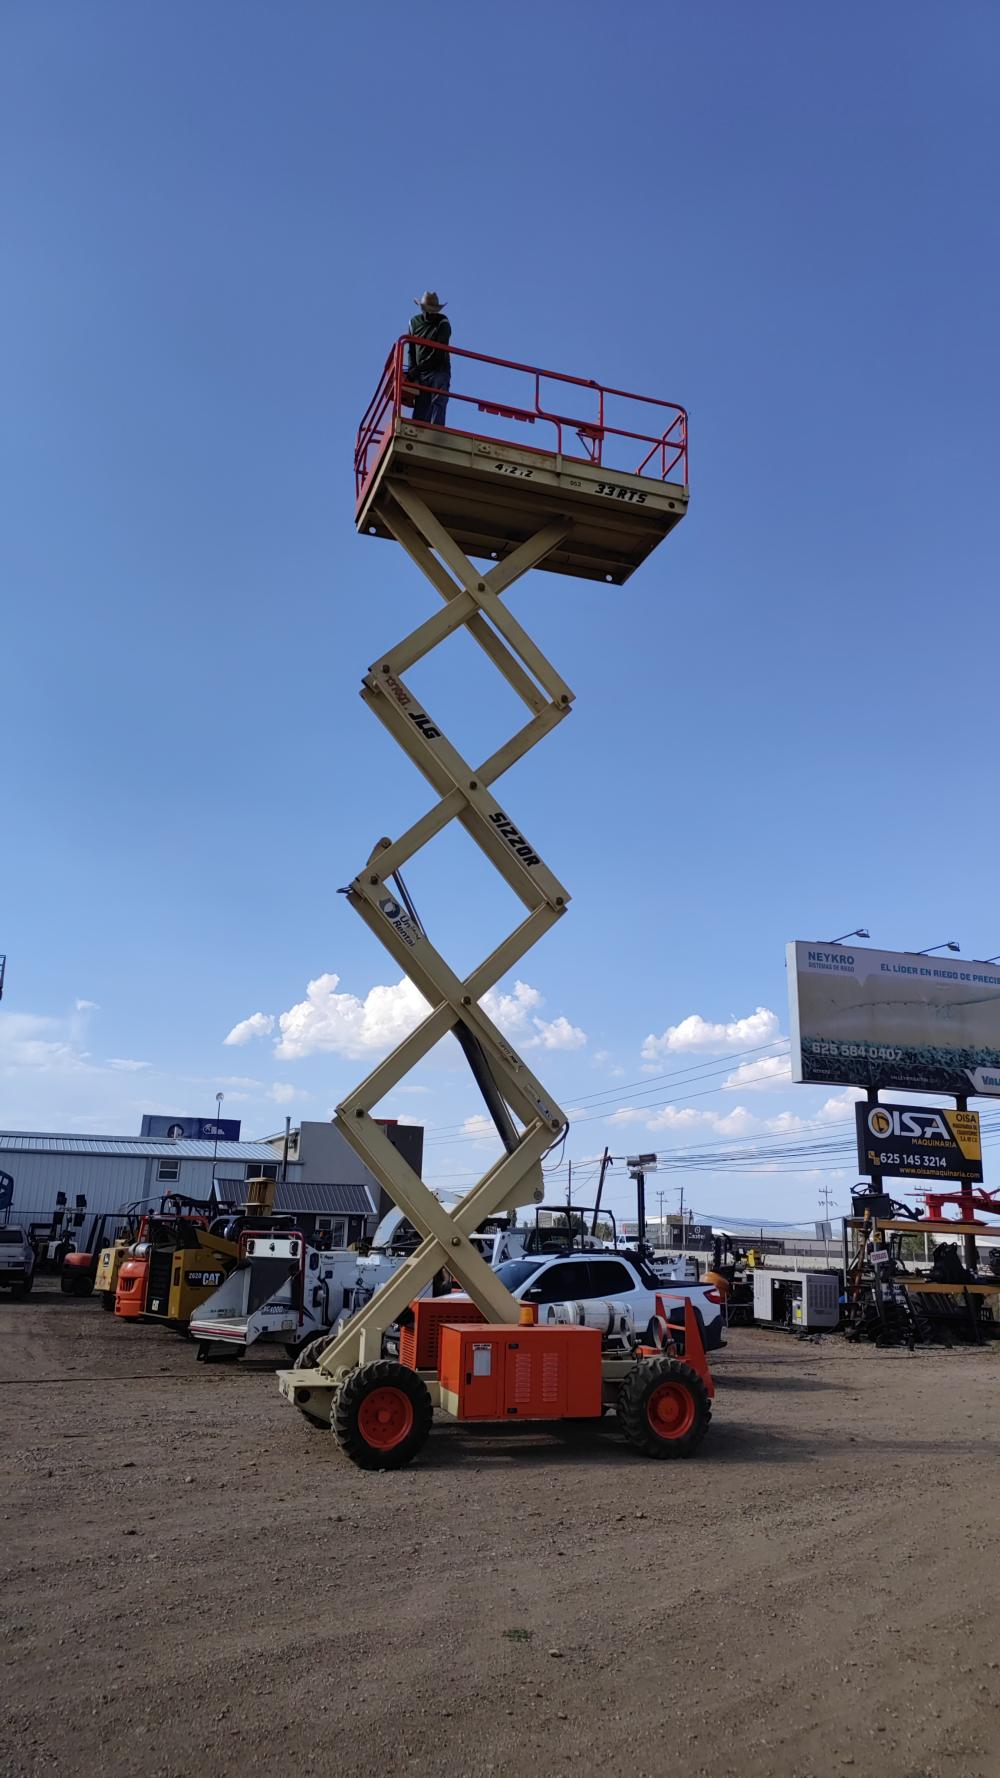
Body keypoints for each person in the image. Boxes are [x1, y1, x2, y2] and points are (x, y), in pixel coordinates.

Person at [406, 290, 451, 426]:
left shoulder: (443, 322)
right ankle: (417, 431)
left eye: (433, 311)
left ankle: (436, 433)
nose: (430, 313)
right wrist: (412, 371)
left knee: (438, 402)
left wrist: (417, 369)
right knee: (421, 407)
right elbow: (411, 350)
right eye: (427, 310)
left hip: (439, 370)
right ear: (422, 309)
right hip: (421, 372)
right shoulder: (413, 322)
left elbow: (439, 351)